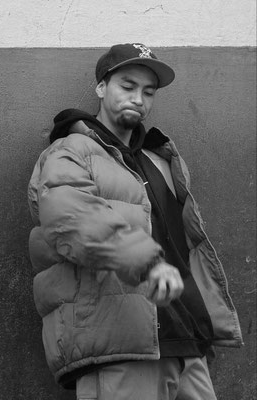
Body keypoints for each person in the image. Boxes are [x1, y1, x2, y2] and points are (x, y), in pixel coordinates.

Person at [27, 43, 243, 399]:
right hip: (120, 343)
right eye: (127, 86)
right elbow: (70, 217)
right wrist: (147, 263)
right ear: (101, 87)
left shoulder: (159, 160)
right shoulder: (70, 151)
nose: (138, 98)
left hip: (185, 341)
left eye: (148, 91)